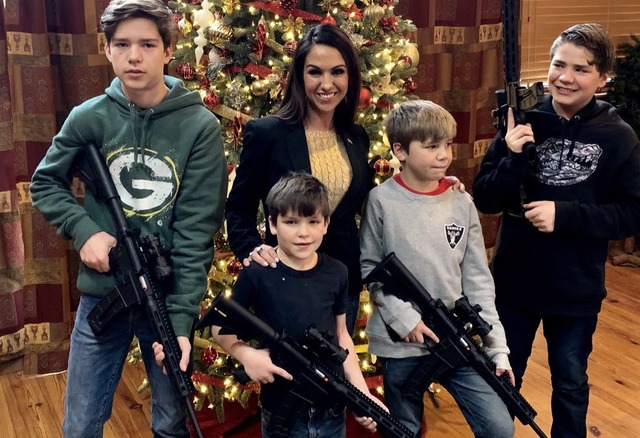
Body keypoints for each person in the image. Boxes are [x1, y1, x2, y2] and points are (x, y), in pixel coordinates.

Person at [29, 1, 227, 436]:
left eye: (147, 44)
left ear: (168, 50)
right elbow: (44, 184)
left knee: (170, 423)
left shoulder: (199, 126)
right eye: (122, 44)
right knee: (80, 425)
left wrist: (179, 323)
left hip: (166, 296)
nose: (134, 56)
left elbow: (196, 232)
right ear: (106, 49)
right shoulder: (90, 117)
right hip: (105, 294)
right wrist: (85, 233)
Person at [472, 23, 640, 437]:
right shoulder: (521, 118)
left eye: (582, 69)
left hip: (575, 289)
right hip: (514, 283)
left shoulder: (618, 137)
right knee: (502, 375)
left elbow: (636, 212)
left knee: (570, 384)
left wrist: (566, 215)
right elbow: (484, 197)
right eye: (558, 64)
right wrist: (513, 157)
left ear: (603, 78)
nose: (565, 77)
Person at [157, 172, 384, 437]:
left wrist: (363, 397)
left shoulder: (337, 272)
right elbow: (220, 328)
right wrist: (246, 355)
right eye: (291, 221)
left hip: (330, 414)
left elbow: (342, 337)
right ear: (272, 224)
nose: (303, 232)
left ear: (326, 224)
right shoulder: (258, 272)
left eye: (313, 221)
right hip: (281, 410)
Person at [359, 100, 516, 437]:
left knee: (499, 428)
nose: (444, 155)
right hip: (400, 344)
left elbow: (477, 281)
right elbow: (371, 268)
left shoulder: (461, 203)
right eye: (431, 147)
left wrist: (498, 349)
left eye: (447, 145)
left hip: (457, 338)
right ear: (400, 151)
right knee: (405, 431)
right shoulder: (381, 201)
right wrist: (405, 320)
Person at [224, 24, 372, 334]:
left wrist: (429, 184)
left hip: (342, 284)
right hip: (285, 282)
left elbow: (367, 203)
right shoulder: (267, 134)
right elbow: (238, 208)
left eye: (338, 72)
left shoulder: (356, 137)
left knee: (339, 373)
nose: (327, 83)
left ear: (350, 77)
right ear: (300, 76)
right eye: (315, 72)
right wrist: (252, 250)